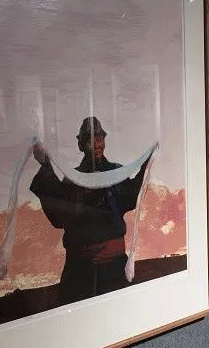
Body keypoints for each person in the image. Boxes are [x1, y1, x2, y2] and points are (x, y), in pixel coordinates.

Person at [29, 116, 147, 304]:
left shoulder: (116, 173)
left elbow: (131, 197)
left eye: (100, 139)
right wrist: (45, 164)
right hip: (81, 271)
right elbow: (60, 216)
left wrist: (147, 164)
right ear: (81, 145)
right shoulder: (73, 179)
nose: (97, 145)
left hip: (115, 267)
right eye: (91, 140)